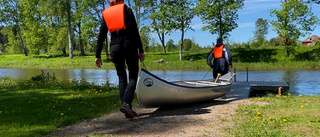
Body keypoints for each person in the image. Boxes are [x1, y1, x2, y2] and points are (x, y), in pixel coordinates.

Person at [95, 0, 145, 118]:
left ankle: (127, 108)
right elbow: (135, 32)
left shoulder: (106, 13)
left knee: (122, 77)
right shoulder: (127, 10)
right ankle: (127, 104)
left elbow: (101, 35)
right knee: (133, 76)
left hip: (115, 47)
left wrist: (98, 55)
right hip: (129, 45)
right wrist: (141, 50)